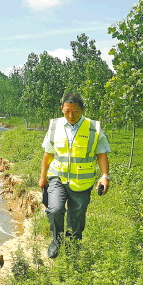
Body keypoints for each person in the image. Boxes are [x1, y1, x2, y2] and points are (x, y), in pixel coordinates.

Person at [39, 93, 111, 258]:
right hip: (57, 177)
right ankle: (56, 240)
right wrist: (43, 176)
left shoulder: (94, 128)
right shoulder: (54, 126)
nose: (71, 116)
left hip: (82, 181)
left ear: (82, 109)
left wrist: (105, 175)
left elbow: (101, 154)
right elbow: (48, 154)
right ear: (62, 109)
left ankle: (72, 244)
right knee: (55, 209)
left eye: (75, 112)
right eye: (66, 111)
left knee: (77, 215)